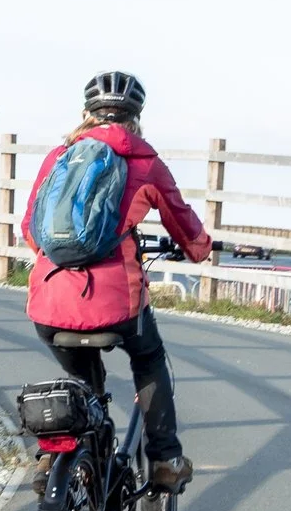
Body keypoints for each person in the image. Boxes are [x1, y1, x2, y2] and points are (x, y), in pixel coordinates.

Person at [21, 70, 211, 489]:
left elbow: (30, 230)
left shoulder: (59, 157)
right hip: (117, 305)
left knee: (84, 382)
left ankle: (67, 457)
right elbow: (185, 226)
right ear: (136, 117)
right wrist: (199, 249)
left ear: (86, 113)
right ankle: (164, 460)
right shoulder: (144, 162)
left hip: (49, 304)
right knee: (148, 359)